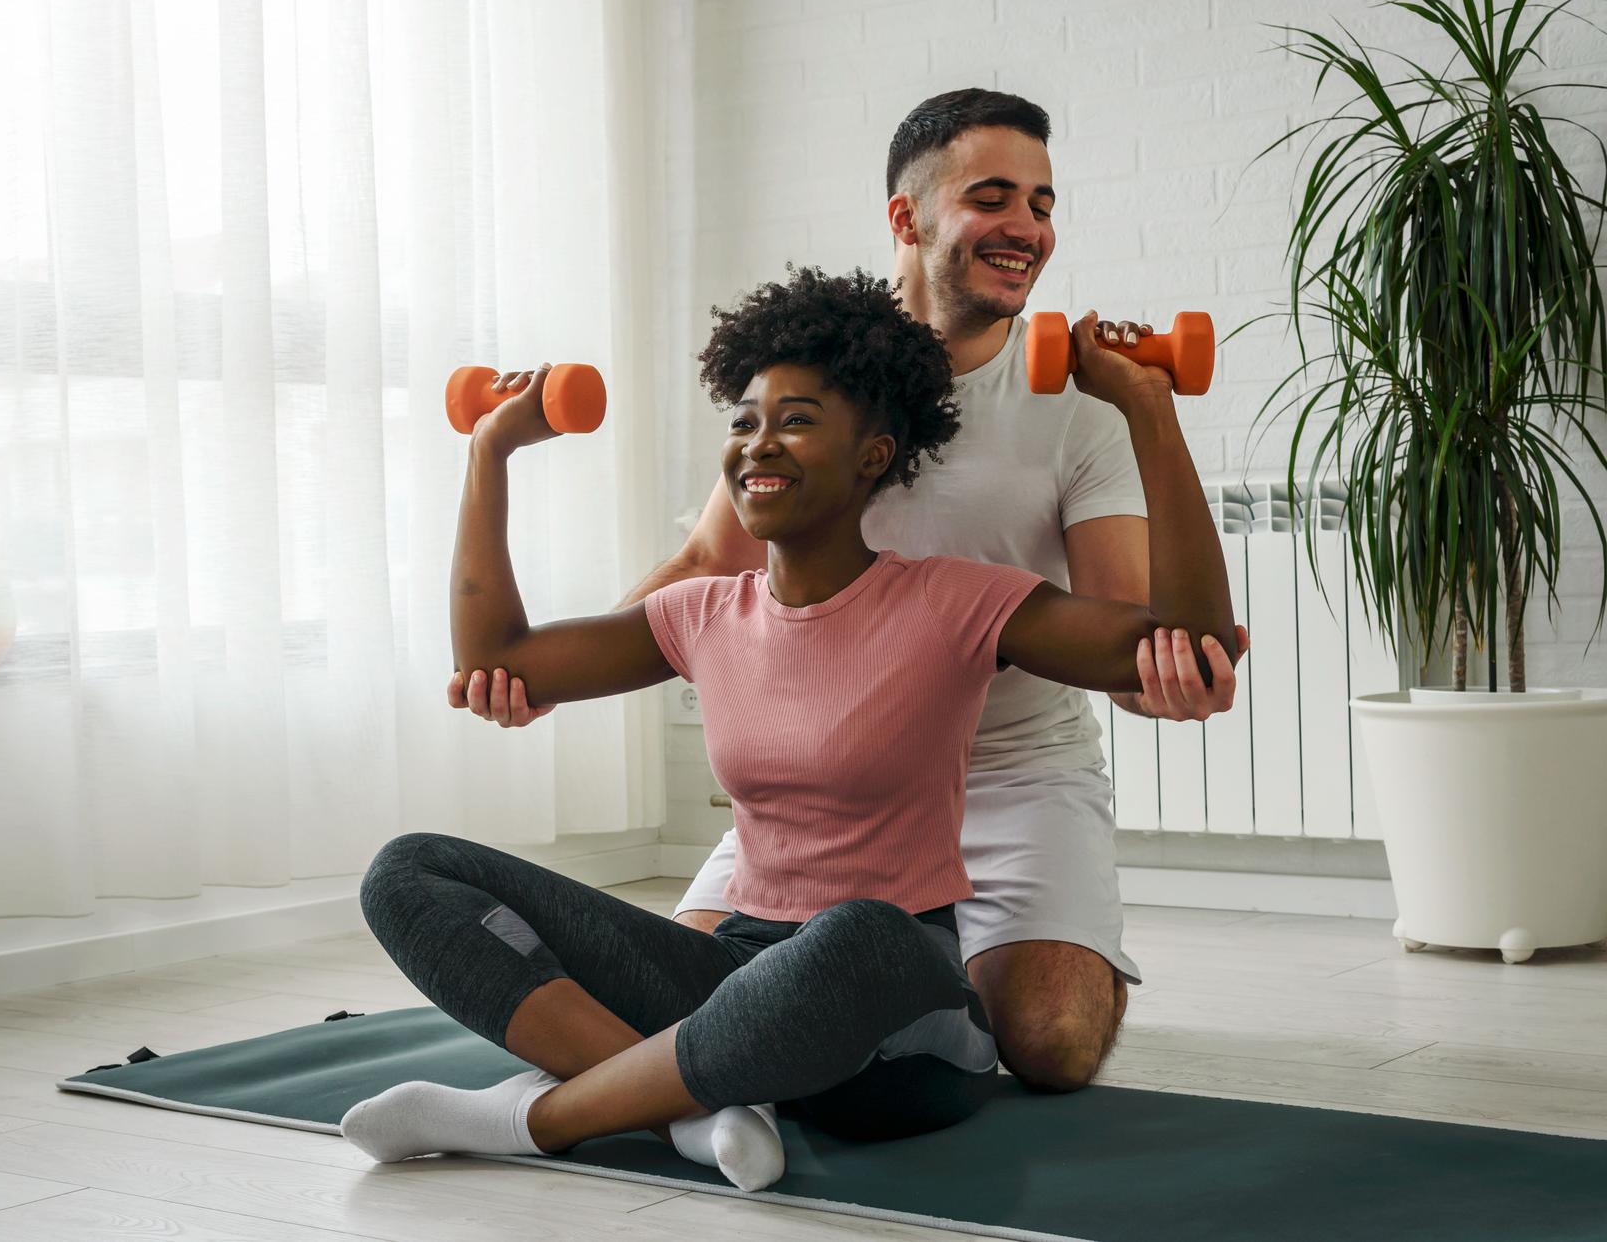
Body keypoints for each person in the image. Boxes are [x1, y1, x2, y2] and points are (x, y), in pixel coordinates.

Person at [347, 264, 1237, 1191]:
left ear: (874, 456)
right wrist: (490, 451)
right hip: (740, 972)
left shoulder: (956, 602)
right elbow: (502, 654)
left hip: (898, 1024)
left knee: (855, 934)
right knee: (407, 870)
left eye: (797, 420)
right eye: (744, 421)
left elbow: (1182, 640)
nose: (758, 446)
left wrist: (1147, 410)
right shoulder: (700, 614)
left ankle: (536, 1118)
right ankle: (698, 1110)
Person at [449, 88, 1251, 1092]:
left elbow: (1136, 633)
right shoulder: (811, 381)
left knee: (1048, 1041)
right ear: (906, 218)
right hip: (831, 773)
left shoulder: (1077, 411)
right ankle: (829, 1013)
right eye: (992, 198)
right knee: (679, 1000)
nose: (1027, 229)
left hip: (1013, 768)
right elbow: (708, 567)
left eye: (1043, 204)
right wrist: (545, 674)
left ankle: (944, 977)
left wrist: (1169, 673)